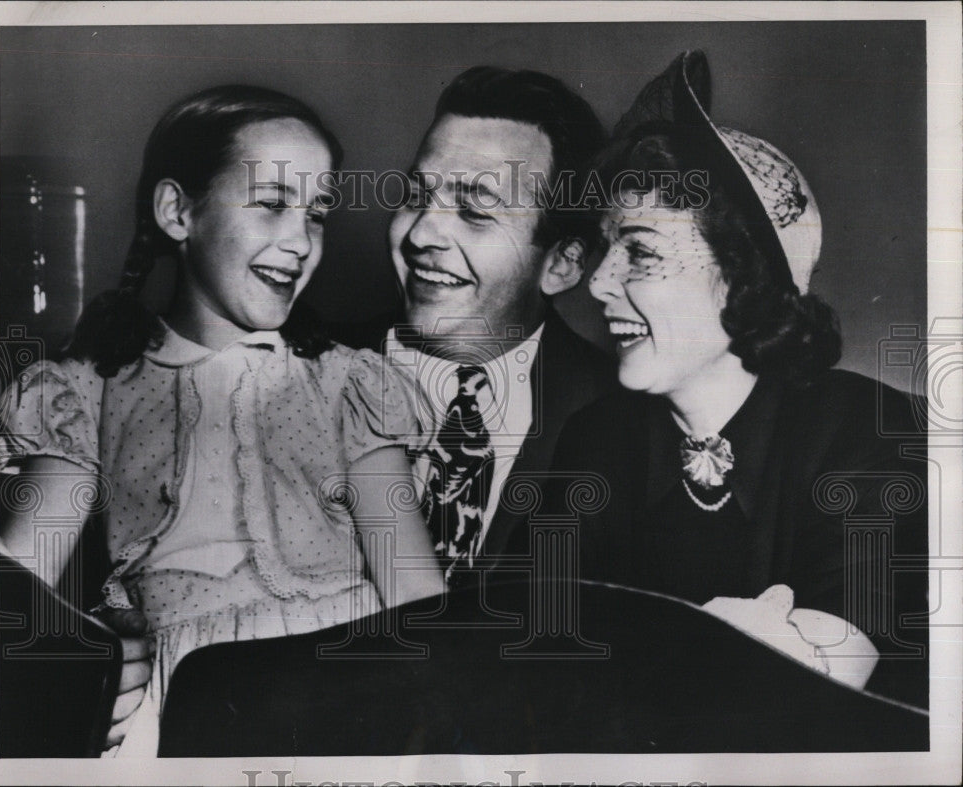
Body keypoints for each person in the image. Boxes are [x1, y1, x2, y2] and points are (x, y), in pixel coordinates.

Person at [0, 84, 444, 754]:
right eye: (271, 204)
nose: (300, 242)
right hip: (183, 713)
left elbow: (419, 603)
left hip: (354, 692)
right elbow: (9, 599)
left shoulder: (347, 384)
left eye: (317, 213)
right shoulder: (89, 389)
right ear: (178, 211)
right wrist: (98, 650)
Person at [548, 51, 928, 707]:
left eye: (639, 249)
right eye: (606, 248)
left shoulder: (871, 436)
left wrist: (634, 659)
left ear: (744, 276)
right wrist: (720, 643)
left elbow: (808, 701)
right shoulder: (593, 441)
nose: (600, 281)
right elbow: (528, 677)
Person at [382, 66, 617, 586]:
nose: (422, 234)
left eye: (474, 211)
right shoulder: (299, 376)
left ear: (562, 264)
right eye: (417, 196)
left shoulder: (624, 415)